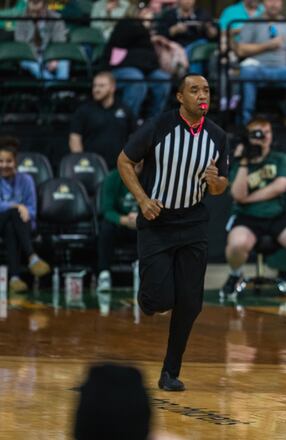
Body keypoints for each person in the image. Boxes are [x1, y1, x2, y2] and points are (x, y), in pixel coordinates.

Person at [117, 74, 229, 391]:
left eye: (206, 89)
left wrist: (214, 181)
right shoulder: (159, 126)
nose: (201, 95)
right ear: (180, 97)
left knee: (191, 303)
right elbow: (124, 160)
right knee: (159, 300)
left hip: (193, 222)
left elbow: (222, 187)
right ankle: (148, 298)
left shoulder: (218, 136)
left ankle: (170, 372)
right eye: (194, 90)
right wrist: (142, 199)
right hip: (157, 220)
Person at [222, 116, 286, 299]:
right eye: (258, 133)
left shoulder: (279, 158)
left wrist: (247, 198)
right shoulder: (239, 162)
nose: (264, 137)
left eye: (267, 133)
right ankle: (235, 275)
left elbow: (280, 187)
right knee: (236, 244)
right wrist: (243, 161)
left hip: (276, 215)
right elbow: (237, 195)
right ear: (248, 136)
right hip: (246, 218)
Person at [234, 0, 286, 125]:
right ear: (263, 3)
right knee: (247, 71)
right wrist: (268, 45)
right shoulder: (252, 22)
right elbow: (240, 50)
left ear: (282, 3)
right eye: (270, 0)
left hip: (283, 71)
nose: (273, 4)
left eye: (277, 0)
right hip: (259, 70)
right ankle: (247, 121)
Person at [102, 5, 173, 120]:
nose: (149, 14)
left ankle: (153, 122)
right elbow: (115, 54)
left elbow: (150, 57)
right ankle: (128, 122)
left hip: (145, 69)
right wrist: (143, 27)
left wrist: (149, 34)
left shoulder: (147, 31)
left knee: (163, 80)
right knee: (136, 80)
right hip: (121, 68)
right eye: (144, 11)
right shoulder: (125, 25)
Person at [0, 144, 50, 293]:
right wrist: (17, 206)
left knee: (11, 226)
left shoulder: (26, 180)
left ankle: (15, 278)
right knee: (13, 214)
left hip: (22, 223)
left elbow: (32, 210)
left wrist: (21, 210)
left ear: (15, 162)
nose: (4, 165)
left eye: (8, 161)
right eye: (0, 161)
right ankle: (32, 257)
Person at [69, 72, 137, 169]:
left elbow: (134, 137)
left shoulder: (125, 110)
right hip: (92, 167)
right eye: (95, 86)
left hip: (119, 168)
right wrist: (81, 162)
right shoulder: (84, 110)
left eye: (101, 86)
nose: (96, 89)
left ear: (112, 88)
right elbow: (75, 138)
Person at [96, 163, 140, 292]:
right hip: (121, 223)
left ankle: (146, 272)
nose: (139, 165)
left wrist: (141, 218)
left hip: (141, 222)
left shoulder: (150, 176)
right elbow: (107, 210)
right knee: (105, 227)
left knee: (154, 229)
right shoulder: (112, 177)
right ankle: (104, 274)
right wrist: (124, 220)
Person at [156, 0, 217, 73]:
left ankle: (192, 78)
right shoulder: (169, 14)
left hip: (198, 46)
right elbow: (160, 34)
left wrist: (208, 28)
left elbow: (213, 35)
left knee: (198, 50)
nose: (188, 1)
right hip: (176, 47)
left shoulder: (202, 13)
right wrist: (174, 30)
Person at [14, 0, 69, 81]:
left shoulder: (56, 18)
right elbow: (21, 44)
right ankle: (53, 87)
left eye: (38, 12)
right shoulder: (21, 20)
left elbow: (60, 40)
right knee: (33, 65)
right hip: (30, 56)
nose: (35, 15)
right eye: (32, 12)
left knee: (64, 62)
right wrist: (38, 58)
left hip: (51, 53)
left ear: (44, 7)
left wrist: (54, 58)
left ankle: (63, 91)